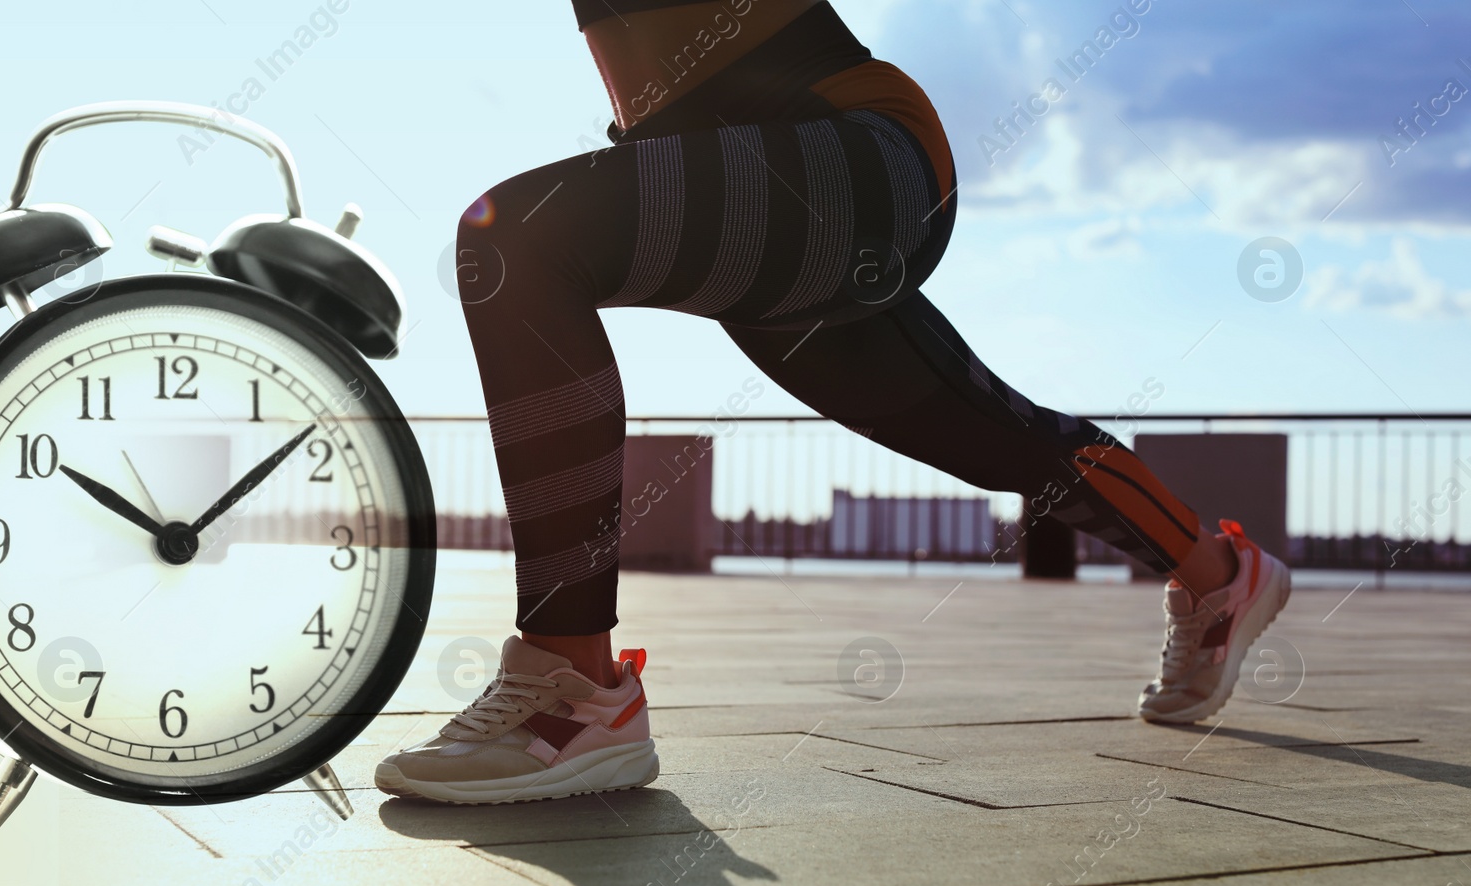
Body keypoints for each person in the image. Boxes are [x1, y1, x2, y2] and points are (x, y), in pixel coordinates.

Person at [374, 0, 1293, 805]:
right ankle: (1217, 574)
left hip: (850, 154)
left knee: (518, 241)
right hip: (750, 177)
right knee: (986, 432)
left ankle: (577, 688)